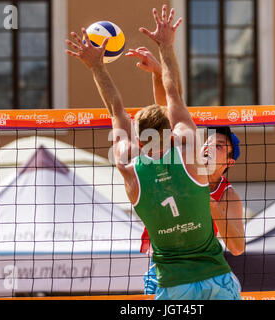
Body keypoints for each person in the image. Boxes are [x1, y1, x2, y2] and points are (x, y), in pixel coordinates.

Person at [66, 5, 240, 300]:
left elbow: (116, 109)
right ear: (173, 134)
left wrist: (96, 67)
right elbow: (173, 95)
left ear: (139, 139)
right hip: (216, 279)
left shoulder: (129, 168)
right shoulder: (191, 158)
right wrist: (166, 46)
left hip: (174, 287)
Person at [126, 48, 245, 296]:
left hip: (205, 274)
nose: (210, 145)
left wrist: (209, 203)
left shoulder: (228, 196)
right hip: (165, 269)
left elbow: (238, 248)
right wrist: (158, 73)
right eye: (209, 140)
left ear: (228, 163)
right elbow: (165, 111)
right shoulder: (183, 161)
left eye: (221, 146)